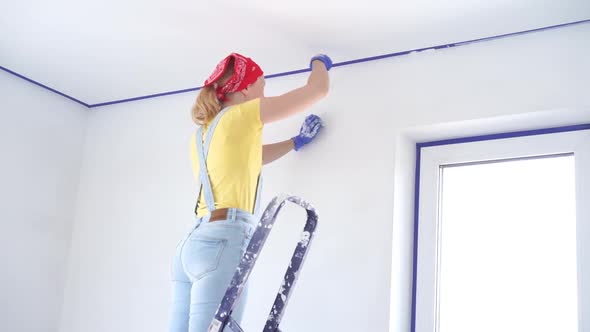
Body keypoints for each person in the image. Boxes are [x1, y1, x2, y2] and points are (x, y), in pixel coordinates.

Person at [168, 53, 332, 332]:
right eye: (262, 85)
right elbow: (318, 90)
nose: (263, 93)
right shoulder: (242, 114)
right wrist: (320, 63)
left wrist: (295, 142)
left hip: (191, 245)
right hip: (222, 241)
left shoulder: (204, 133)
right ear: (244, 88)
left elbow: (253, 157)